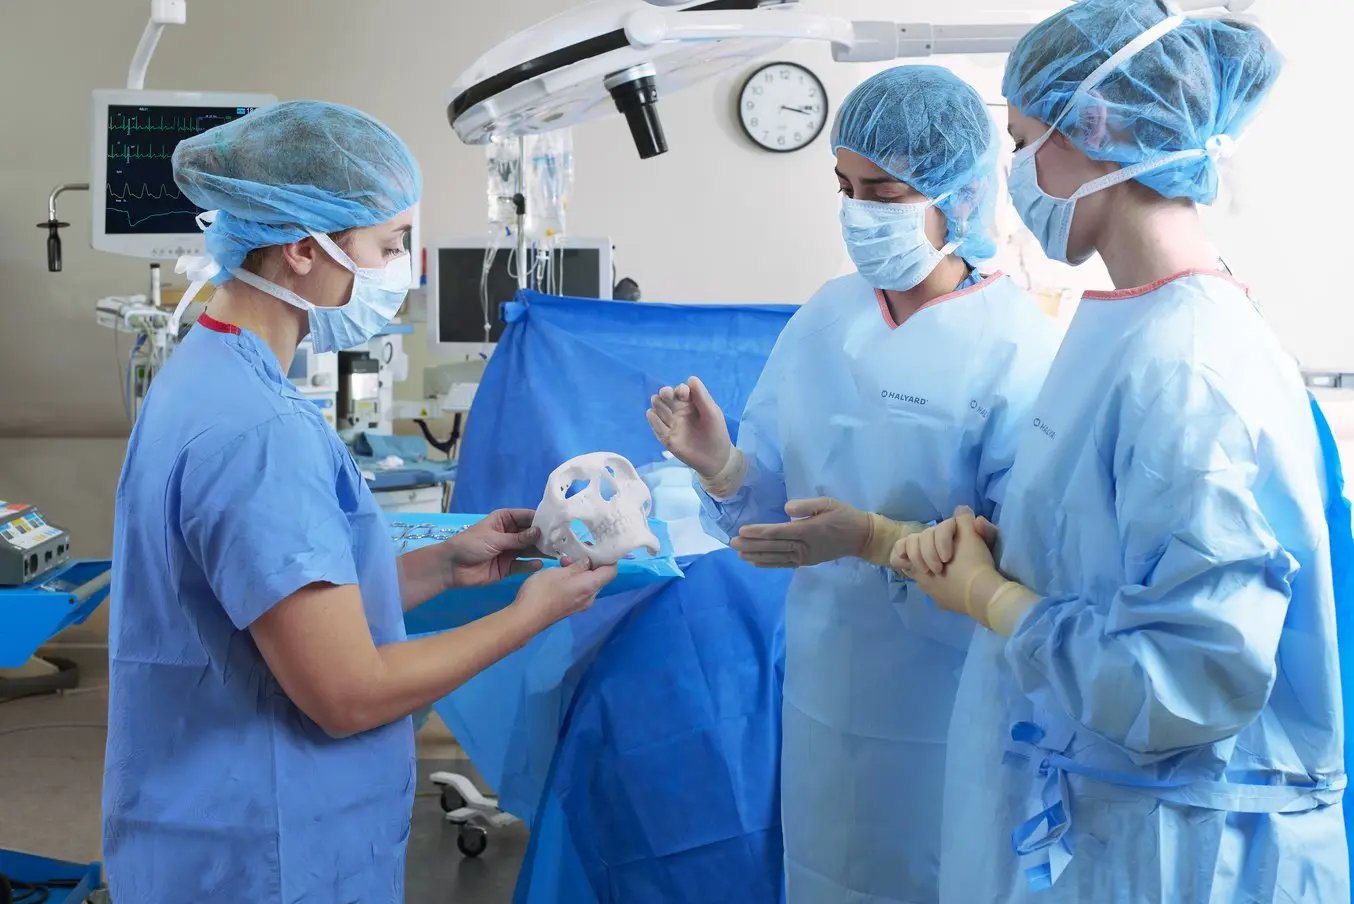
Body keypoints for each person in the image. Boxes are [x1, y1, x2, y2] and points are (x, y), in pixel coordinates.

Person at [891, 3, 1351, 901]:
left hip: (1178, 847)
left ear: (1095, 126)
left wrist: (990, 598)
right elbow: (1116, 548)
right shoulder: (1135, 323)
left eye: (1023, 141)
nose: (1015, 174)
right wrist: (1002, 549)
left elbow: (1189, 683)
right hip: (1111, 810)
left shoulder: (1189, 366)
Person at [103, 101, 618, 903]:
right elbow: (347, 692)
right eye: (387, 245)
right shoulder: (258, 431)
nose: (402, 271)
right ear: (305, 250)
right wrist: (535, 612)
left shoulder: (206, 372)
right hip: (266, 852)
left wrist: (442, 566)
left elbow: (267, 605)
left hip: (203, 827)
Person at [646, 66, 1062, 903]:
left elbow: (1027, 563)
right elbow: (773, 509)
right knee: (826, 873)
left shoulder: (1017, 347)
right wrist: (723, 463)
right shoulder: (828, 317)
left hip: (950, 700)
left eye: (882, 189)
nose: (857, 210)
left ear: (961, 196)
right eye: (844, 186)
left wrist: (874, 538)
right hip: (827, 684)